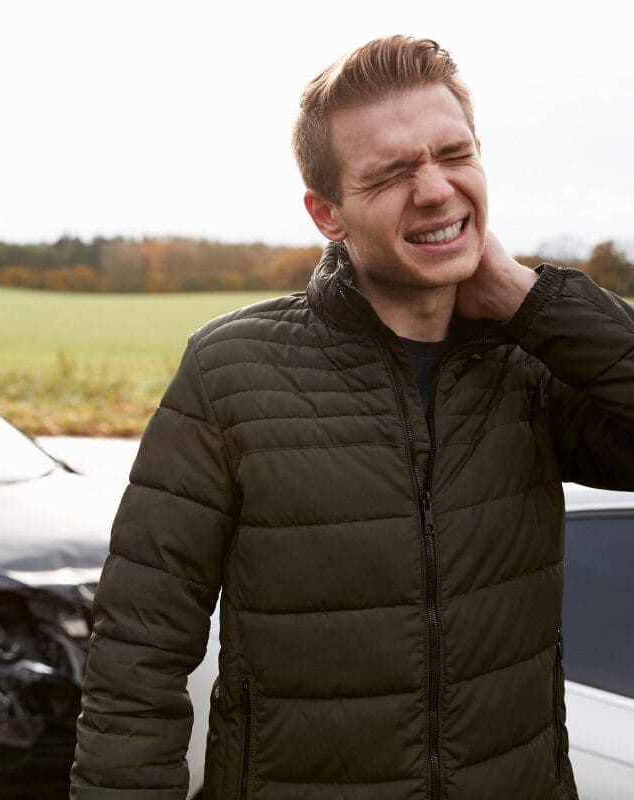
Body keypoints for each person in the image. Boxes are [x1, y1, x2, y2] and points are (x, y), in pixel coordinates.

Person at [71, 35, 634, 800]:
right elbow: (137, 652)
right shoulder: (229, 373)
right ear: (327, 213)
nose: (435, 189)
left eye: (453, 154)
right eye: (393, 173)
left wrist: (524, 296)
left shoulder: (529, 366)